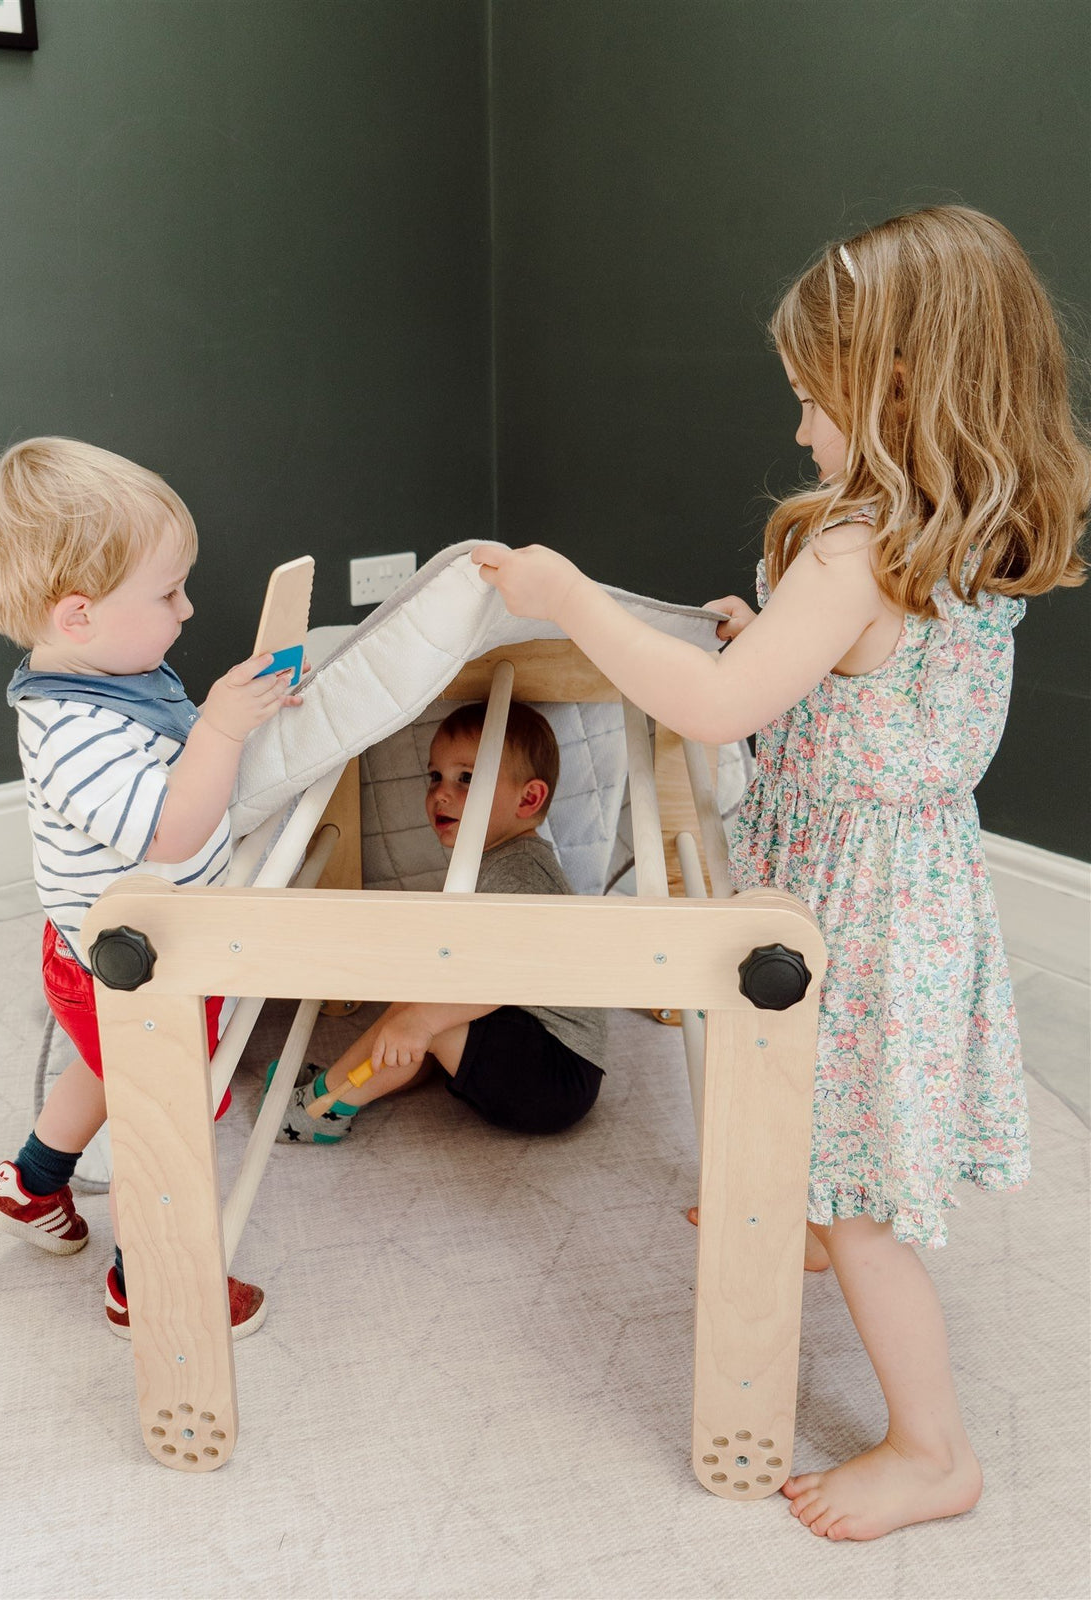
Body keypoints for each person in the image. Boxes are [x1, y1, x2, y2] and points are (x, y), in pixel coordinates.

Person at [470, 206, 1090, 1541]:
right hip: (909, 883)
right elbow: (847, 685)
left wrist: (569, 596)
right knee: (821, 1111)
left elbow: (709, 706)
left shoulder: (859, 546)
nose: (804, 431)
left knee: (865, 1194)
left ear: (898, 388)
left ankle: (936, 1450)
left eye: (815, 402)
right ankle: (813, 1218)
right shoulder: (952, 533)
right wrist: (776, 650)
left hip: (860, 910)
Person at [0, 437, 301, 1338]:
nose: (188, 610)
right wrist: (222, 728)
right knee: (167, 1106)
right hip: (130, 957)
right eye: (168, 593)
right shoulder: (72, 728)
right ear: (77, 615)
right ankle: (146, 1274)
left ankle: (30, 1184)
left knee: (104, 1067)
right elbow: (167, 827)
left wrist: (236, 716)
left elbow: (176, 758)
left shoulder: (116, 675)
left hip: (125, 945)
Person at [277, 699, 607, 1141]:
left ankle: (325, 1110)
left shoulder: (519, 871)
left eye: (466, 778)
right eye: (435, 776)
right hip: (532, 1048)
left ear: (528, 798)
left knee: (421, 1007)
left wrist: (423, 1021)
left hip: (554, 1074)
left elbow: (509, 974)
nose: (440, 794)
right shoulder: (493, 860)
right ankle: (347, 1080)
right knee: (424, 992)